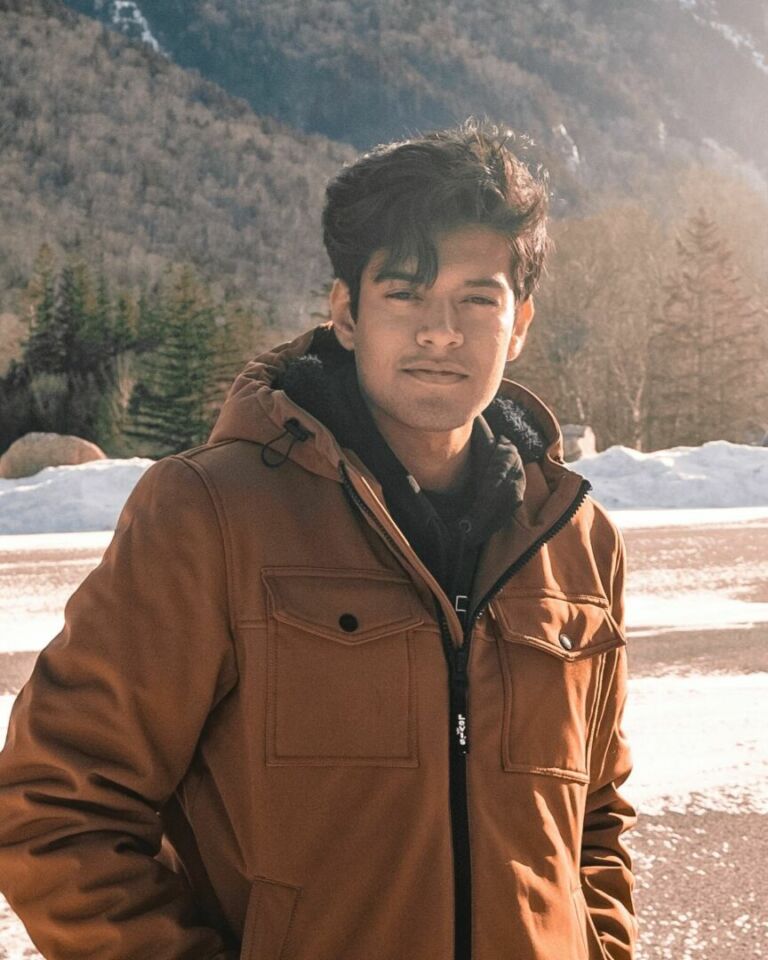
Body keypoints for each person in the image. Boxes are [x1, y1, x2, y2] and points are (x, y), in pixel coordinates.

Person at [0, 119, 637, 960]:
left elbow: (594, 822)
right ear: (346, 313)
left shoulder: (577, 539)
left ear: (518, 323)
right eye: (404, 292)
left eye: (477, 299)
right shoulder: (212, 515)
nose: (441, 330)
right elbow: (56, 808)